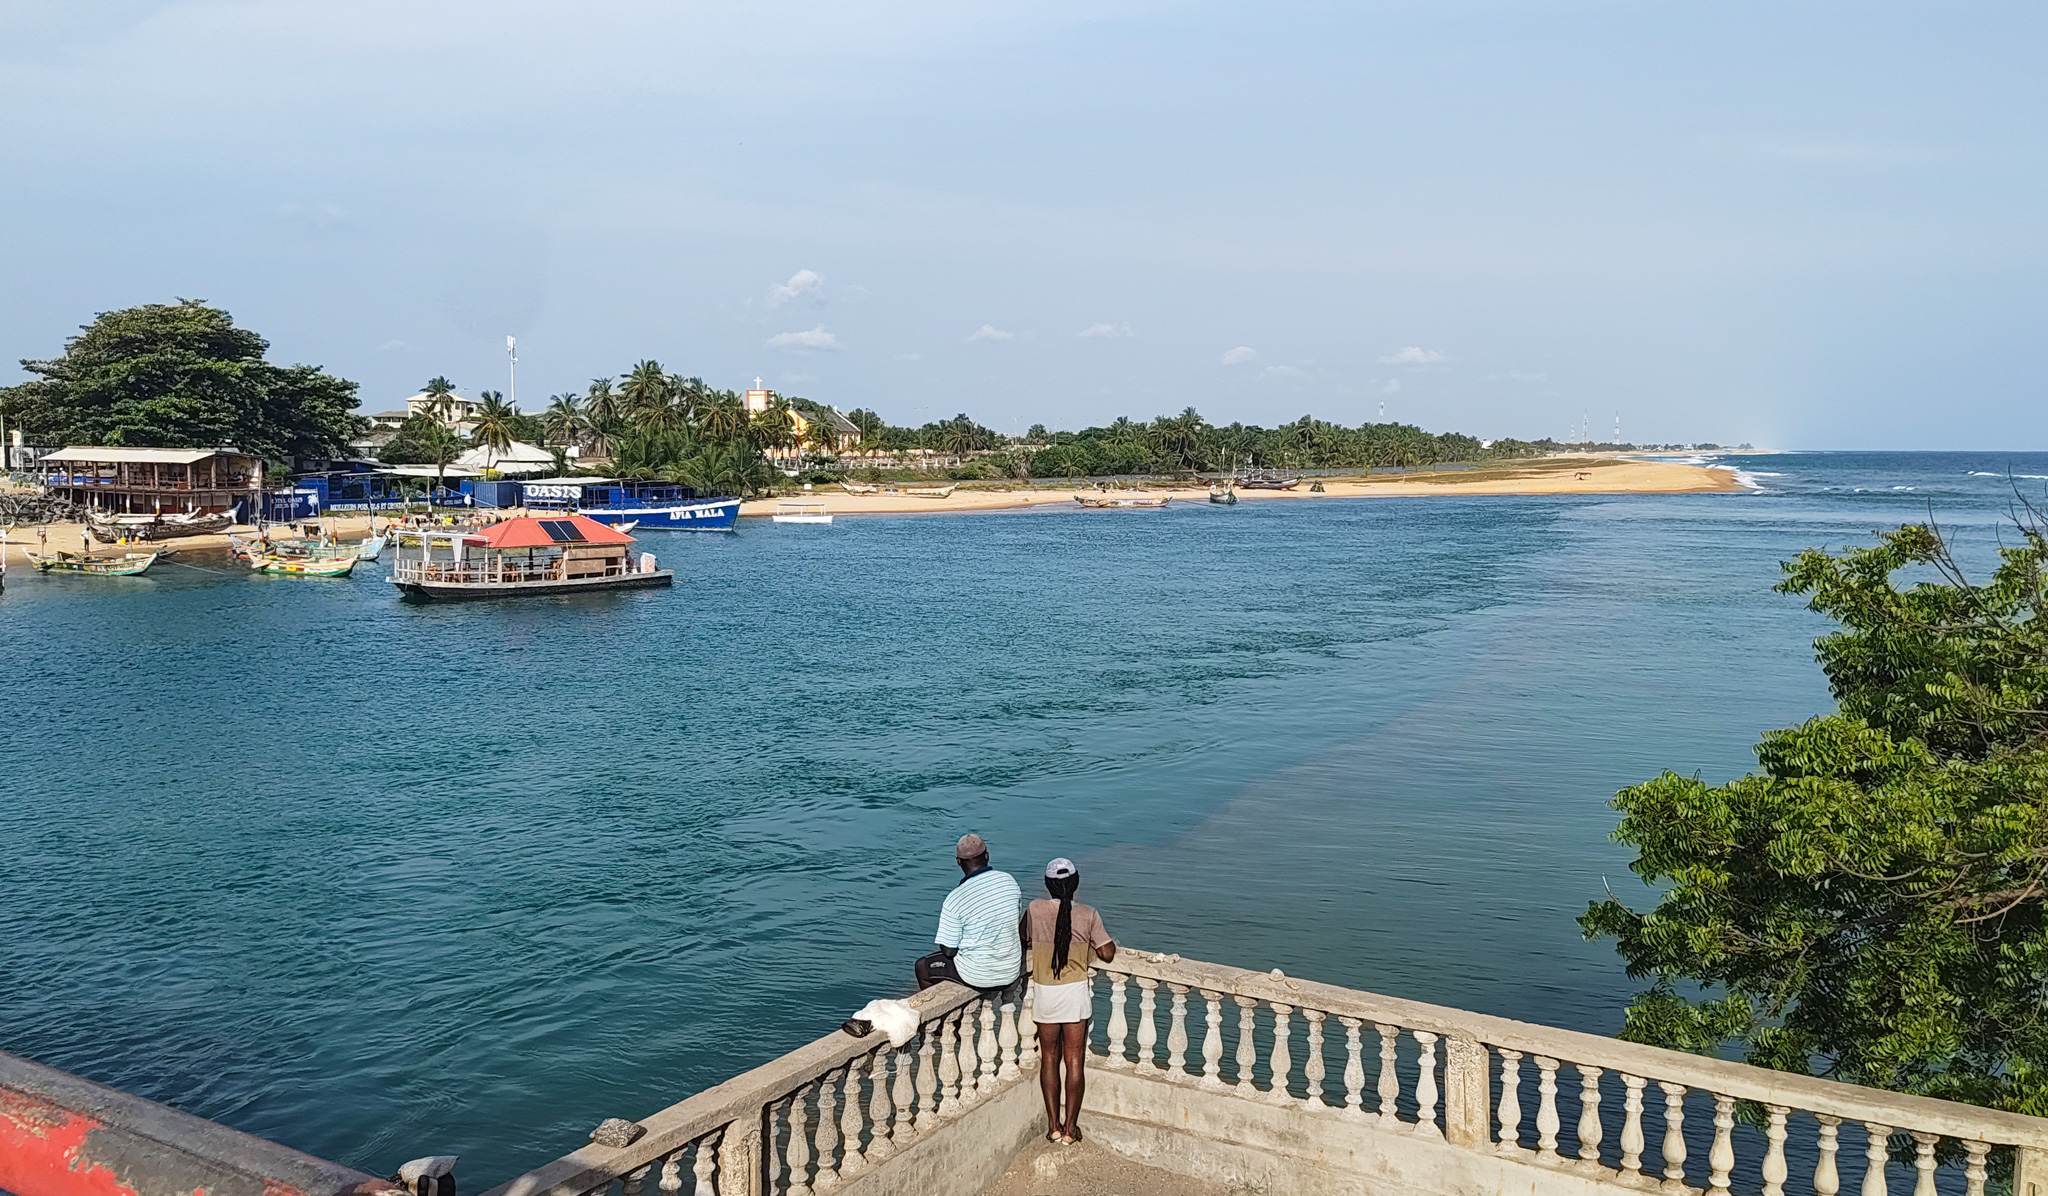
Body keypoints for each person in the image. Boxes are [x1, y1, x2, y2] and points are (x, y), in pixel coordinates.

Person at [1022, 857, 1115, 1145]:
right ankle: (1070, 1129)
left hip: (1046, 993)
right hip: (1075, 994)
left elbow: (1023, 937)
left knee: (1049, 1058)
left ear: (1048, 885)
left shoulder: (1035, 909)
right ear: (1075, 884)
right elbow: (1108, 953)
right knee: (1075, 1060)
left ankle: (1052, 1125)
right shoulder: (1088, 914)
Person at [914, 833, 1023, 1004]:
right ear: (987, 855)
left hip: (979, 976)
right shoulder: (1008, 881)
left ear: (958, 862)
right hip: (1011, 969)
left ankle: (943, 1026)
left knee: (922, 967)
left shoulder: (955, 898)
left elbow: (949, 951)